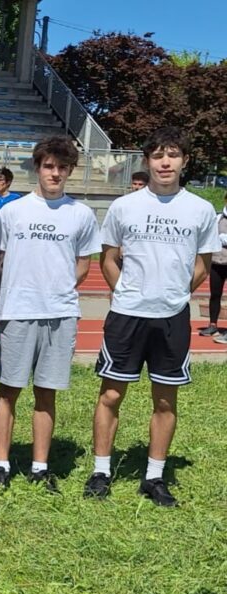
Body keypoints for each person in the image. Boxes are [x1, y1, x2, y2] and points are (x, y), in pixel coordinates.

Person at [87, 127, 218, 507]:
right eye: (158, 155)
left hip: (172, 317)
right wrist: (124, 293)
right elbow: (108, 259)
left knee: (165, 400)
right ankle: (100, 470)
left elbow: (203, 264)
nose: (165, 162)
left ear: (185, 162)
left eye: (173, 155)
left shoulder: (200, 209)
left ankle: (154, 477)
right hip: (127, 315)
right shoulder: (124, 207)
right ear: (147, 160)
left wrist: (175, 293)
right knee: (111, 394)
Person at [0, 135, 99, 493]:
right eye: (49, 166)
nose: (55, 173)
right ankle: (1, 464)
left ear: (70, 172)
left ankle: (39, 466)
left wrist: (62, 286)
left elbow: (84, 263)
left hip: (60, 314)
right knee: (8, 391)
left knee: (46, 392)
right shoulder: (12, 211)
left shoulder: (80, 214)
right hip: (18, 310)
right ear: (38, 167)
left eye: (62, 168)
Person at [201, 204, 227, 339]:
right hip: (217, 262)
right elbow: (209, 237)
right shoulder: (217, 218)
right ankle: (212, 325)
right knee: (215, 294)